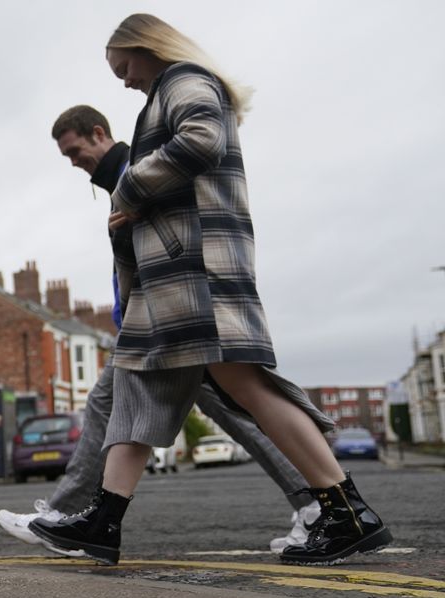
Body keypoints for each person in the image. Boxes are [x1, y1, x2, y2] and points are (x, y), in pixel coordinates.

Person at [30, 14, 392, 567]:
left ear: (147, 48)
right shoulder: (168, 90)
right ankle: (104, 519)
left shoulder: (185, 80)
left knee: (248, 388)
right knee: (135, 387)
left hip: (197, 267)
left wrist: (129, 189)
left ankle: (345, 510)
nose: (124, 81)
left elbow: (201, 140)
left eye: (124, 68)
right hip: (174, 273)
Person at [0, 105, 320, 556]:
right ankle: (315, 503)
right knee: (229, 414)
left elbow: (173, 229)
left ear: (98, 133)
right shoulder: (119, 180)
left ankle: (69, 518)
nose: (73, 162)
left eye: (75, 151)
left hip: (168, 319)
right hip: (154, 320)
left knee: (222, 411)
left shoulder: (137, 169)